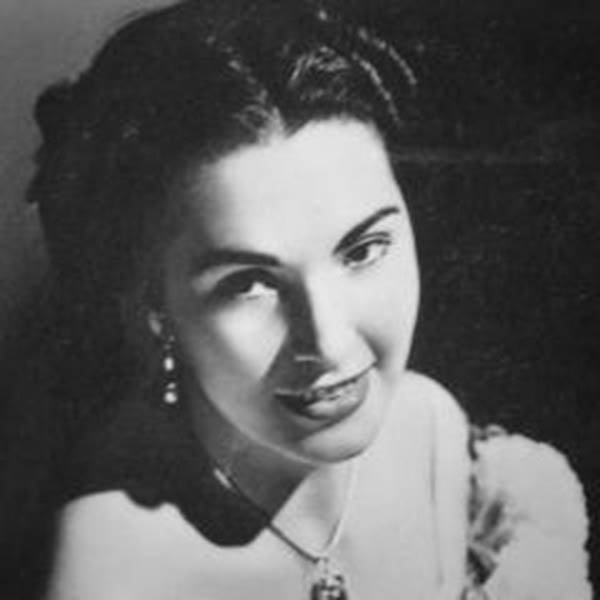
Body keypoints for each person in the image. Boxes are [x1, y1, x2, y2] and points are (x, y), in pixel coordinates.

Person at [9, 0, 591, 598]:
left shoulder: (430, 426)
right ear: (154, 309)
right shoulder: (111, 571)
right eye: (248, 284)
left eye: (363, 250)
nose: (329, 343)